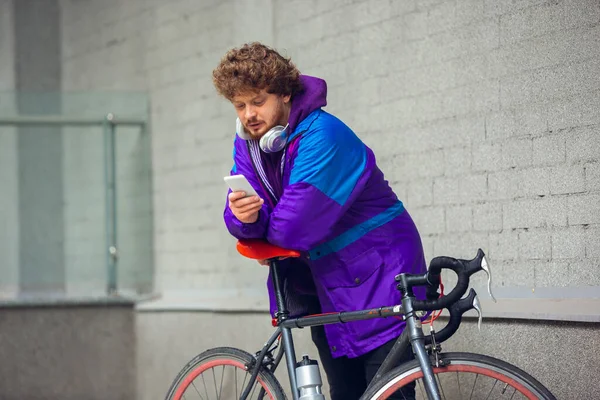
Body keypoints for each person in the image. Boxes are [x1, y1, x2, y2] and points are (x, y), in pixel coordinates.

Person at [212, 42, 426, 400]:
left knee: (385, 392)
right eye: (239, 105)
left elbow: (293, 228)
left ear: (284, 93)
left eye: (257, 101)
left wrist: (262, 228)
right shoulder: (249, 143)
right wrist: (244, 218)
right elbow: (237, 213)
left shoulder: (325, 137)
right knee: (345, 390)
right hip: (325, 283)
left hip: (380, 273)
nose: (248, 114)